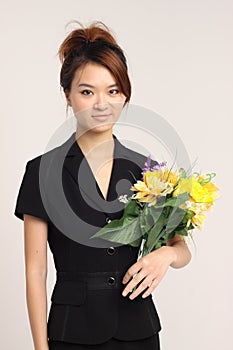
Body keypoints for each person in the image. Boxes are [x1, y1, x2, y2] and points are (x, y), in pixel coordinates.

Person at [14, 21, 192, 350]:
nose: (102, 103)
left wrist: (165, 255)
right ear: (67, 94)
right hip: (71, 334)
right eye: (87, 91)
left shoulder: (147, 170)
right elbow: (35, 271)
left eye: (113, 90)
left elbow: (182, 248)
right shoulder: (41, 172)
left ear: (125, 94)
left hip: (138, 330)